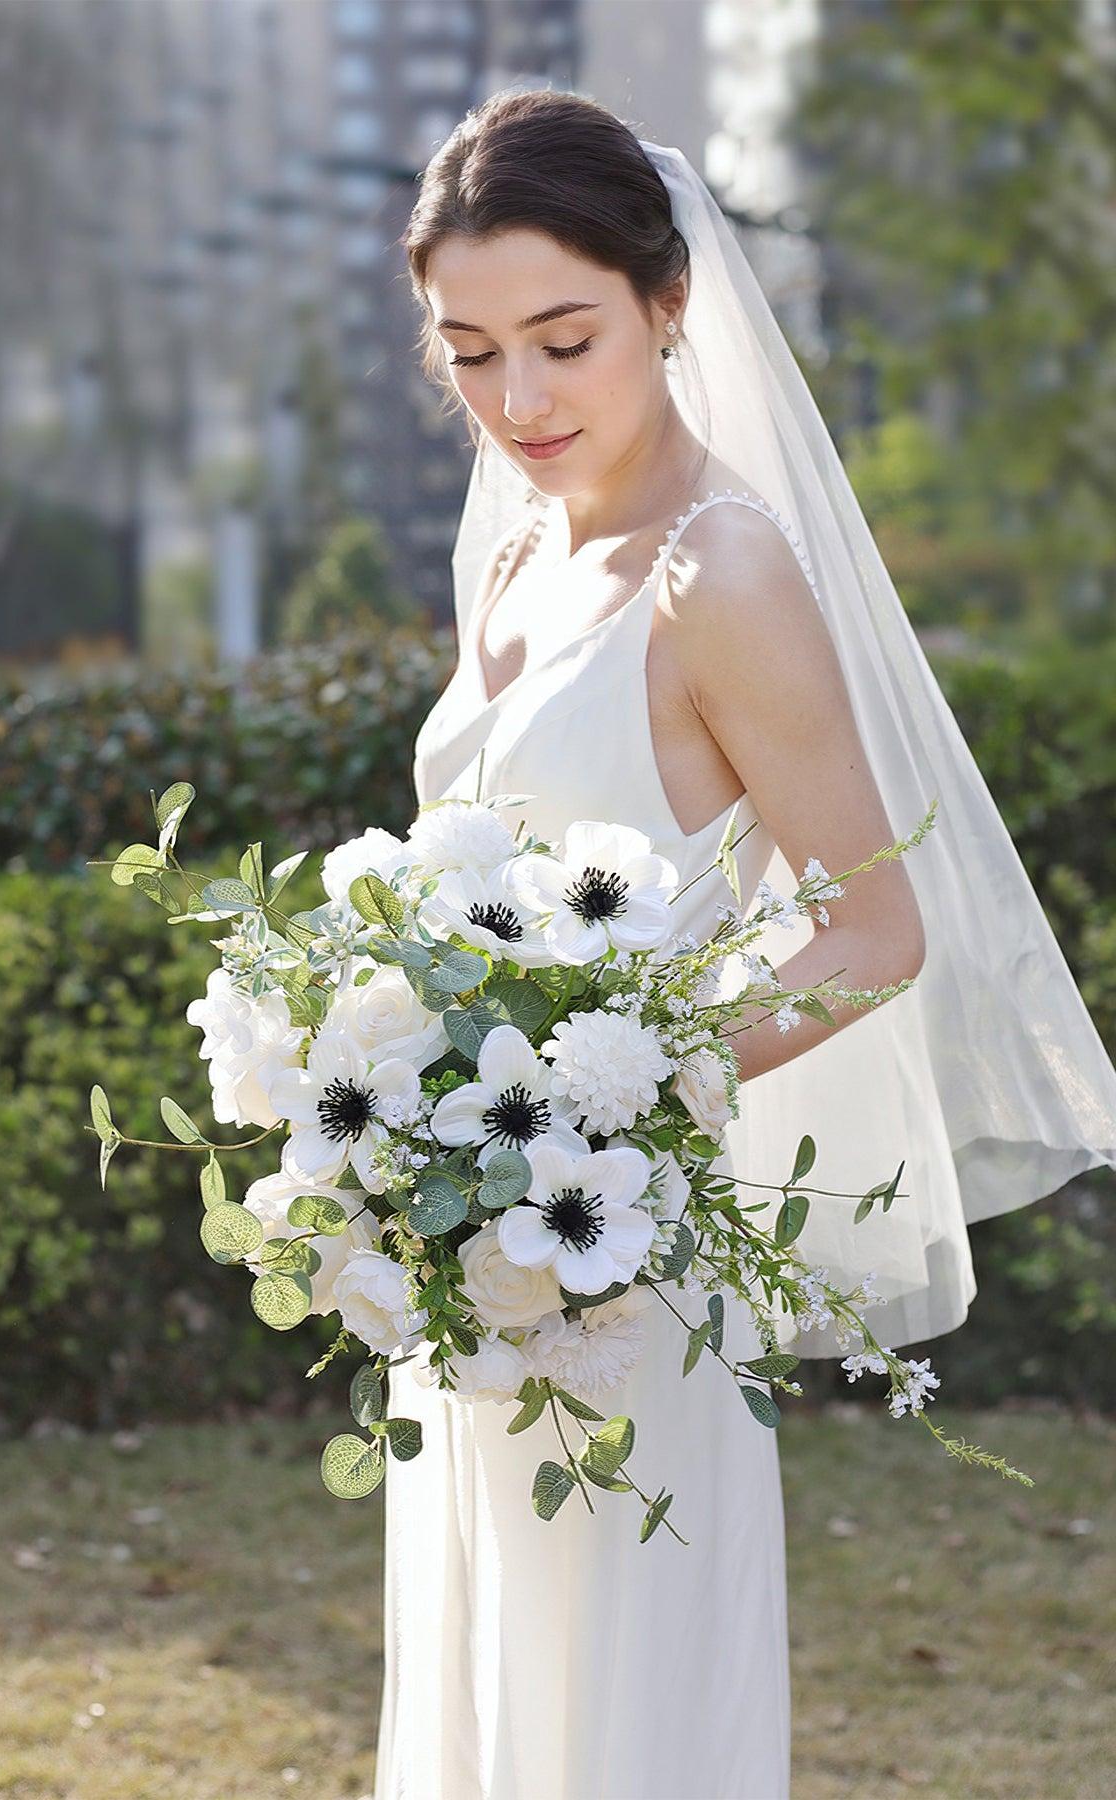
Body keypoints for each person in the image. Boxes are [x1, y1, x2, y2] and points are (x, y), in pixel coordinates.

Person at [371, 87, 1116, 1800]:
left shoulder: (724, 575)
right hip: (476, 1250)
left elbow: (875, 924)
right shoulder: (518, 560)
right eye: (470, 353)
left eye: (564, 339)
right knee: (495, 1685)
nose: (522, 400)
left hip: (623, 1242)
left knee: (623, 1710)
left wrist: (615, 1104)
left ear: (668, 302)